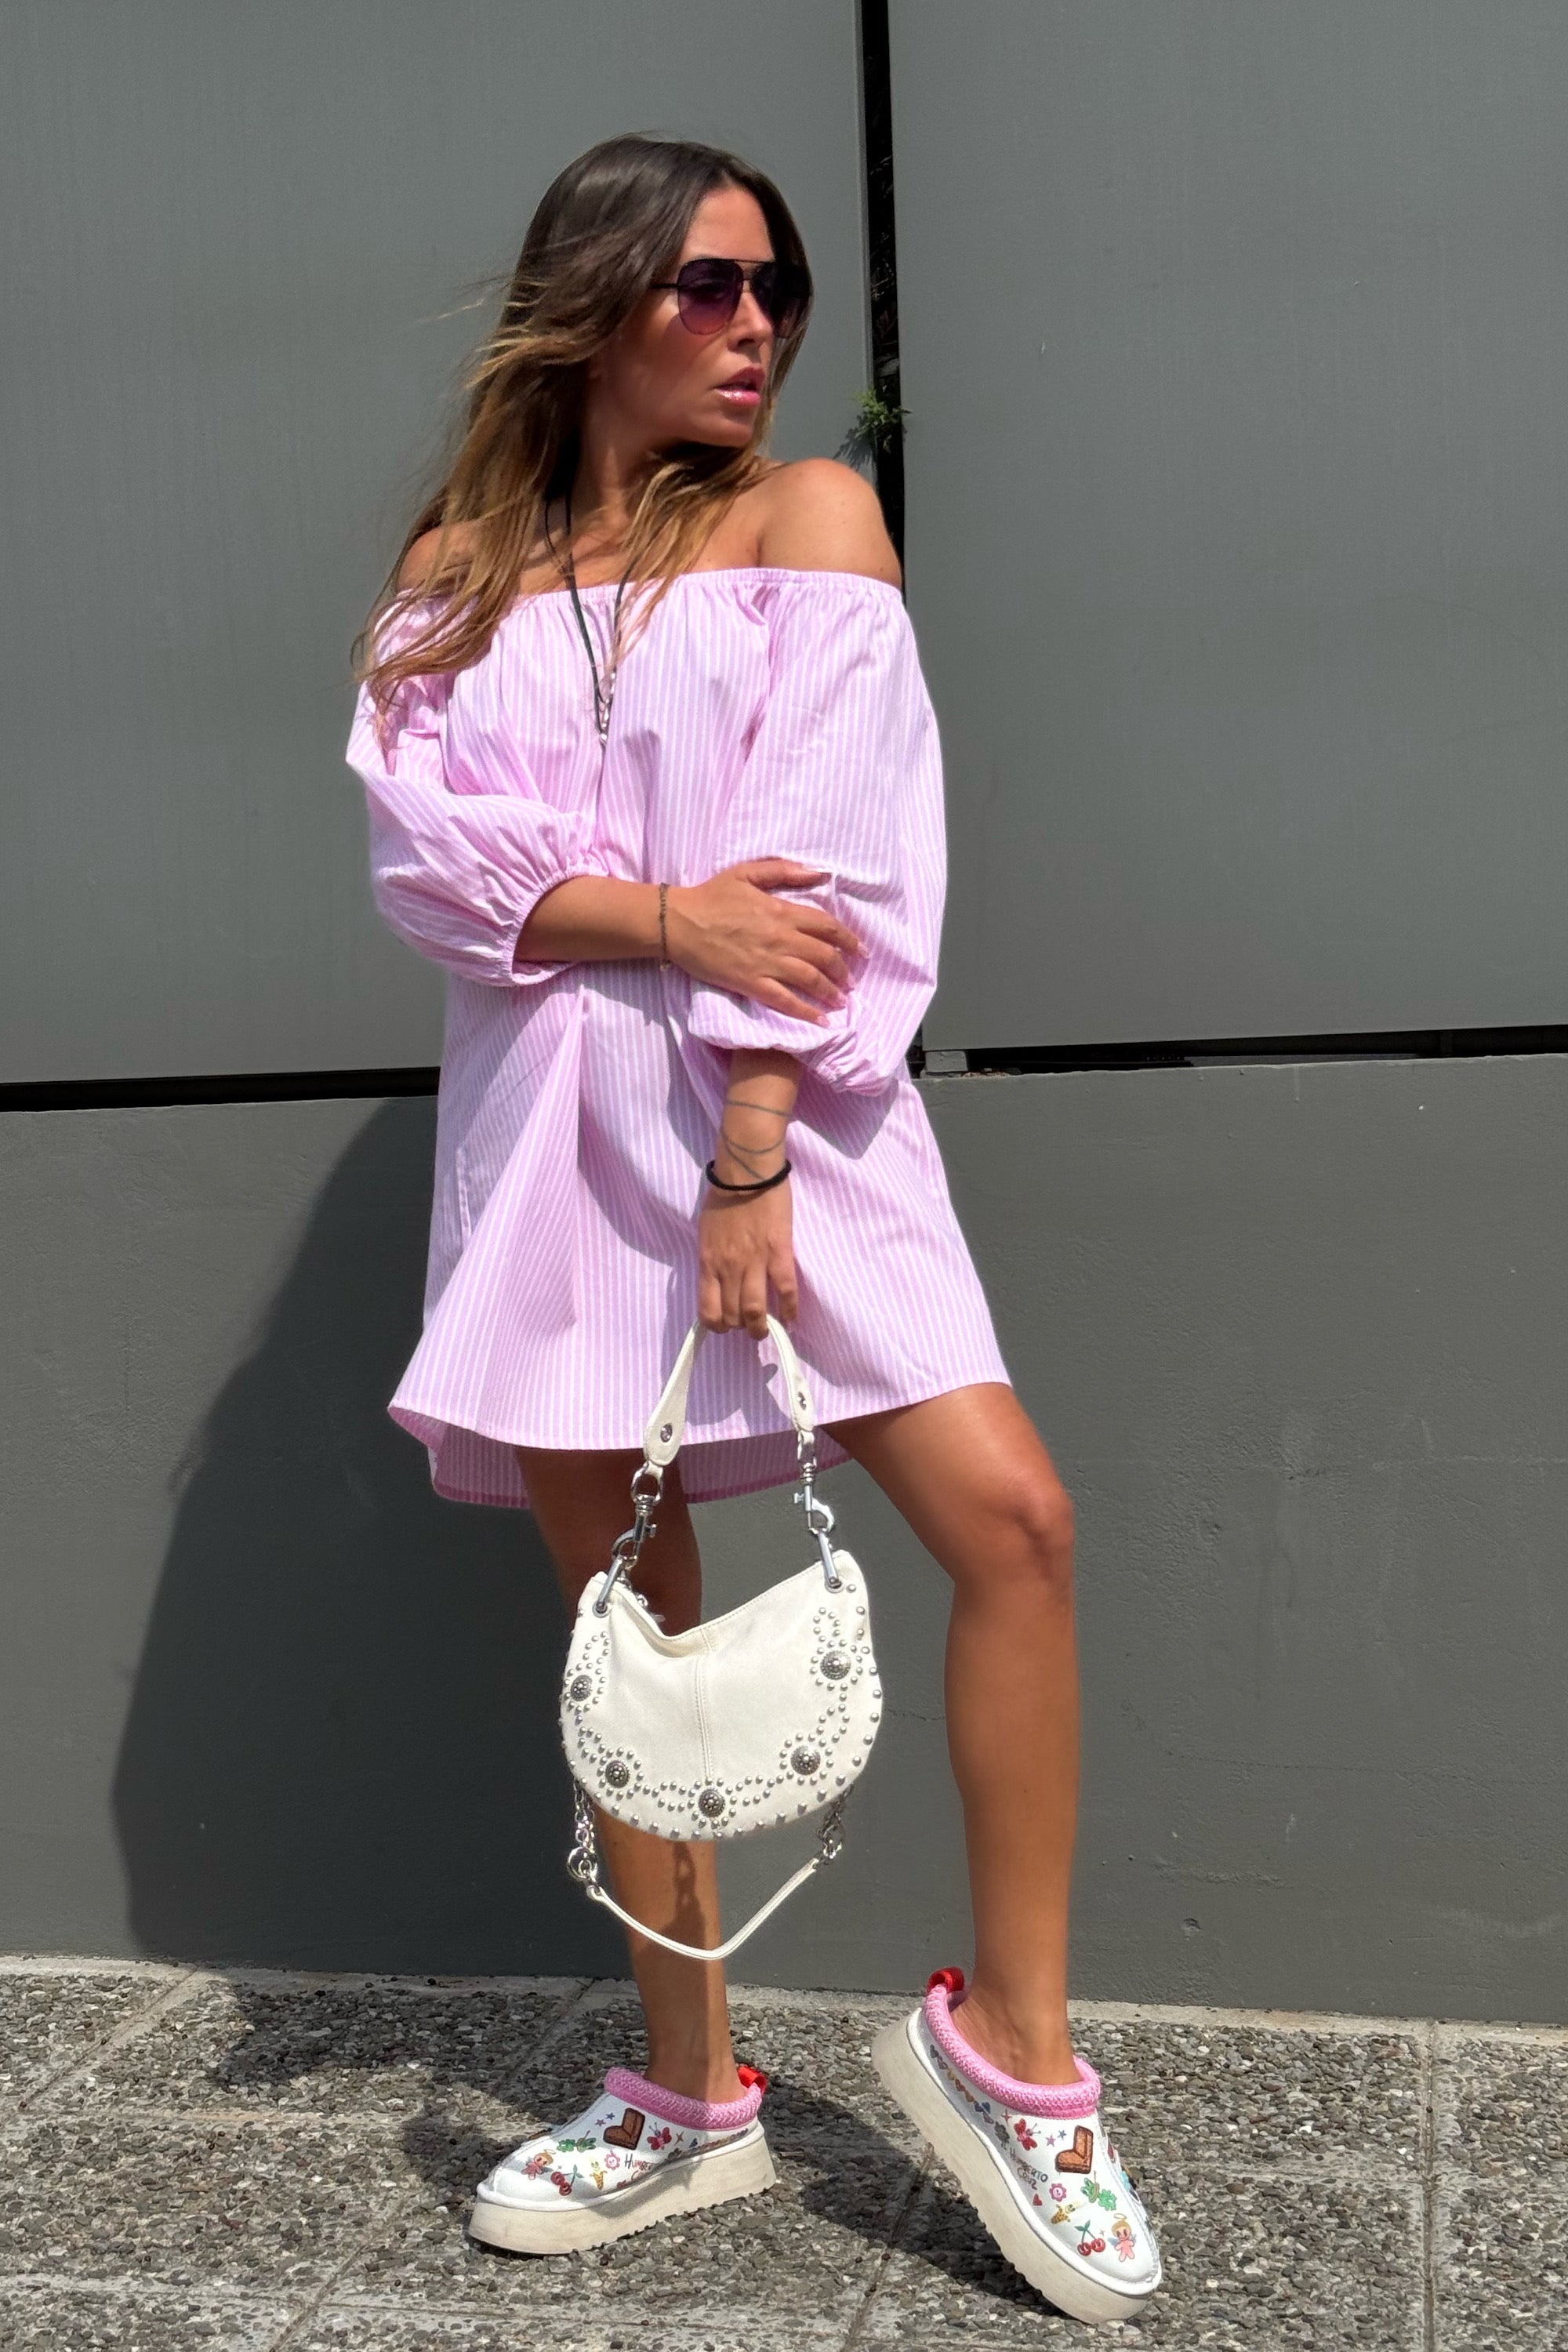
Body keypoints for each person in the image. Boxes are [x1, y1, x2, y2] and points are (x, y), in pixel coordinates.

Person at [347, 132, 1161, 2325]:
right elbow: (432, 868)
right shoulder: (457, 570)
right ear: (596, 296)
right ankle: (692, 2096)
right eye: (708, 283)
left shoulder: (812, 517)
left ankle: (1018, 2057)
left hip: (786, 1134)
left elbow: (833, 862)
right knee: (630, 1628)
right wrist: (655, 912)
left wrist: (755, 1140)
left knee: (1015, 1524)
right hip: (549, 1147)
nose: (756, 324)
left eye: (775, 287)